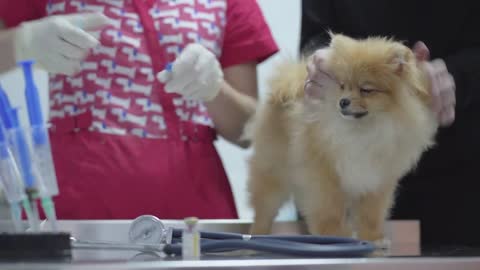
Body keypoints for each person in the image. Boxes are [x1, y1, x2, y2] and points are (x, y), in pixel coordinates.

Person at [0, 0, 279, 219]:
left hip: (193, 209)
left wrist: (214, 89)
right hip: (77, 207)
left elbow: (247, 131)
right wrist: (22, 42)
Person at [300, 0, 480, 246]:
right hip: (346, 168)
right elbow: (315, 38)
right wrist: (322, 63)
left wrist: (459, 75)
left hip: (460, 176)